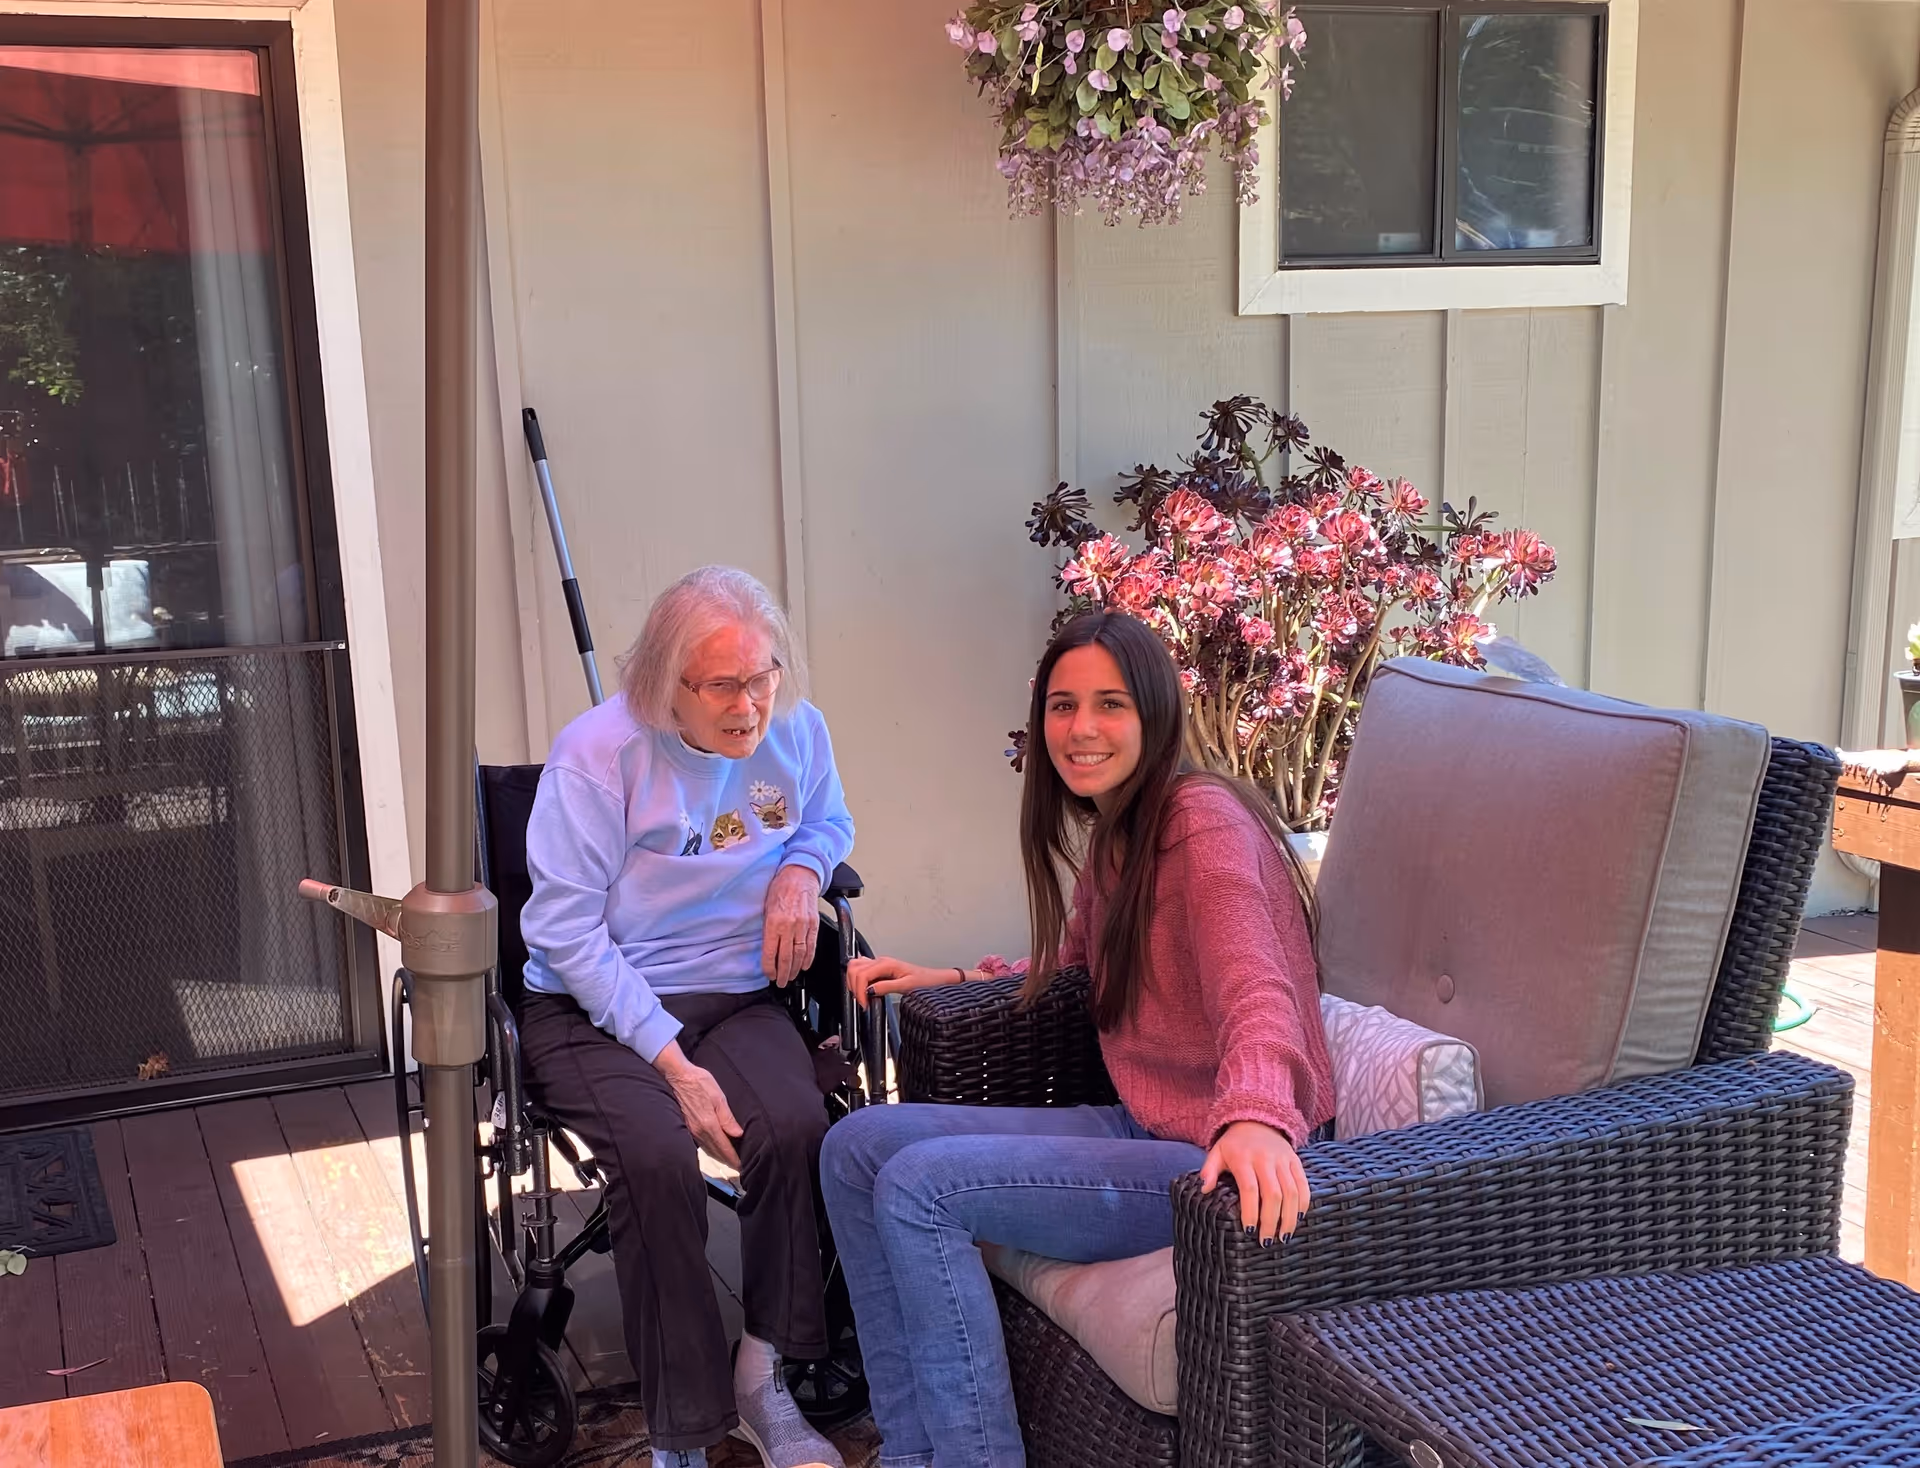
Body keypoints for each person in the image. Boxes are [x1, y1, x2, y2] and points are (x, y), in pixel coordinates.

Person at [819, 610, 1335, 1468]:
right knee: (855, 1149)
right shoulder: (1119, 833)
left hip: (1210, 1161)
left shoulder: (1199, 823)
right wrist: (961, 978)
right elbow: (1079, 965)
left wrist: (1254, 1115)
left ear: (1155, 714)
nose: (1081, 729)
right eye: (1063, 705)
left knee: (922, 1189)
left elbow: (1260, 987)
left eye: (1109, 704)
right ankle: (914, 1453)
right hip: (1140, 1129)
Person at [517, 565, 854, 1468]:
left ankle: (761, 1374)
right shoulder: (599, 755)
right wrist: (671, 1062)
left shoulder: (796, 730)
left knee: (793, 1125)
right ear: (667, 686)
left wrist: (801, 871)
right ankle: (684, 1432)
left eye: (764, 675)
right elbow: (564, 931)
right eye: (723, 686)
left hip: (735, 988)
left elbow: (829, 822)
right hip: (591, 1003)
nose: (750, 706)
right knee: (657, 1158)